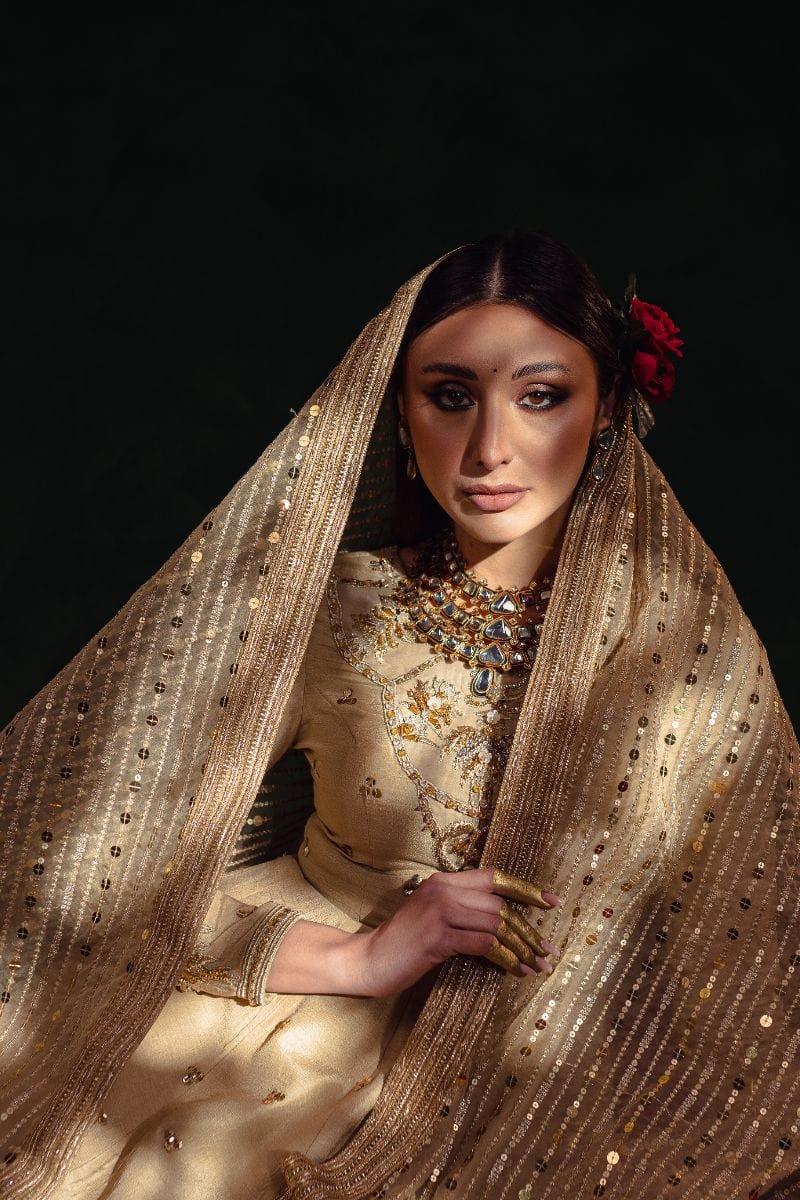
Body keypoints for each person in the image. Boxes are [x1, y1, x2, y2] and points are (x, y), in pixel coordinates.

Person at [1, 232, 797, 1200]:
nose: (490, 448)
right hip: (294, 1020)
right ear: (399, 409)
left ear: (607, 412)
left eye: (541, 396)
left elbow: (740, 942)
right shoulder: (332, 610)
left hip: (550, 1067)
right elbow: (110, 867)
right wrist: (367, 956)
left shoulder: (682, 653)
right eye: (450, 396)